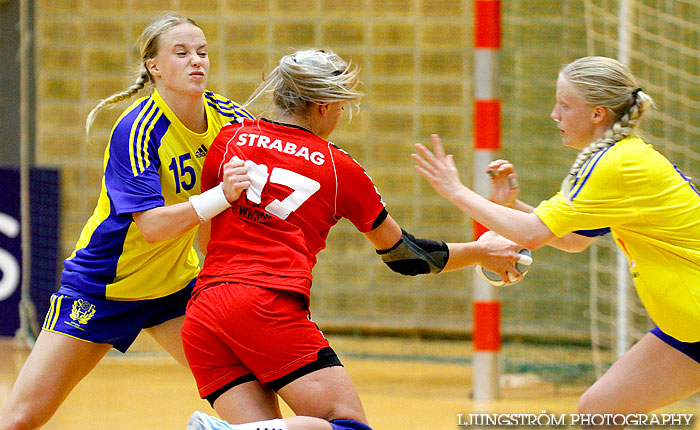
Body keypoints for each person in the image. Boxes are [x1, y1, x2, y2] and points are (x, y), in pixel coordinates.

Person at [181, 49, 527, 430]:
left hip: (204, 311)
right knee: (347, 427)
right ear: (324, 106)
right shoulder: (337, 166)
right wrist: (479, 252)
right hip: (266, 304)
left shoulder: (230, 139)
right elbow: (406, 257)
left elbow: (207, 234)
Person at [412, 56, 700, 429]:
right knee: (601, 411)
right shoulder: (614, 158)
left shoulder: (617, 164)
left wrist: (455, 191)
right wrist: (511, 205)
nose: (554, 114)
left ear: (597, 113)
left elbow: (532, 233)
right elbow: (574, 239)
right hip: (686, 328)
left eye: (564, 104)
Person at [0, 12, 253, 430]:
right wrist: (219, 196)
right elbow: (152, 227)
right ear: (154, 66)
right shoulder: (138, 128)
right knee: (20, 420)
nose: (197, 61)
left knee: (248, 397)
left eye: (203, 52)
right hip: (103, 287)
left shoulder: (230, 119)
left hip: (174, 289)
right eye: (182, 52)